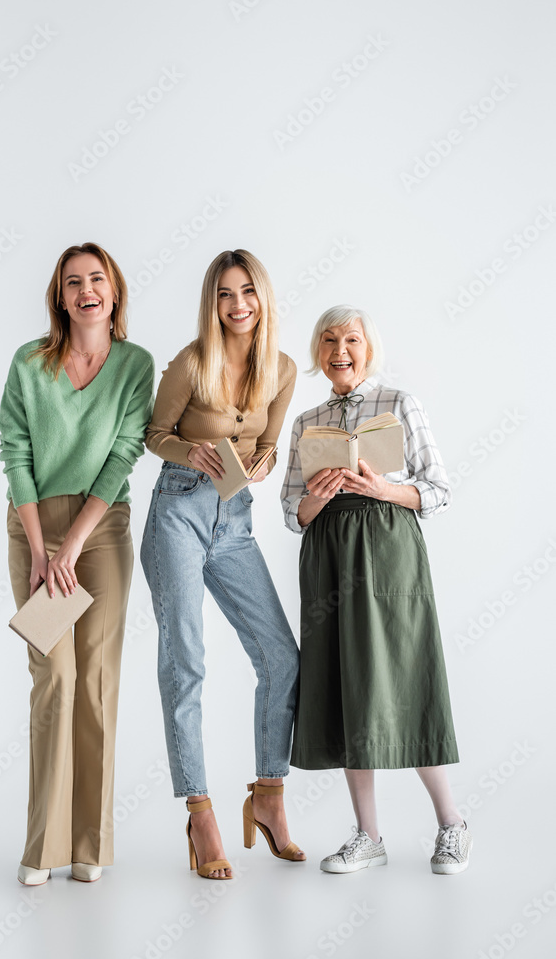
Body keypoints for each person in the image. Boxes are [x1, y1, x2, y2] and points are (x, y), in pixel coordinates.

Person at [281, 305, 472, 875]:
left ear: (369, 348)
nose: (340, 350)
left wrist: (382, 488)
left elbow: (438, 490)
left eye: (352, 340)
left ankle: (452, 824)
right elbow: (293, 513)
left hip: (389, 553)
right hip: (329, 556)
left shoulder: (399, 403)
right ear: (318, 352)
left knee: (407, 676)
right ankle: (368, 836)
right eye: (329, 340)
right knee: (345, 682)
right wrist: (319, 493)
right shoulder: (306, 421)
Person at [140, 249, 304, 880]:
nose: (238, 306)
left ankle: (268, 795)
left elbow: (267, 442)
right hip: (179, 512)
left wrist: (260, 463)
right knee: (186, 660)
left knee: (280, 657)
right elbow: (155, 436)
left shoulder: (282, 369)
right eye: (225, 296)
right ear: (212, 303)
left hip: (234, 524)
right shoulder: (190, 362)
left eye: (248, 293)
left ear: (263, 298)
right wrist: (194, 449)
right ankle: (200, 810)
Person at [0, 242, 154, 885]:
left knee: (94, 681)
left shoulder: (136, 365)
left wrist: (73, 546)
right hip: (34, 525)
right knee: (53, 678)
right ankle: (43, 850)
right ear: (59, 297)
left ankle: (89, 847)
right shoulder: (29, 363)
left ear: (114, 292)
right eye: (72, 282)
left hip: (103, 529)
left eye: (97, 279)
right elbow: (14, 450)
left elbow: (123, 456)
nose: (86, 290)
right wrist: (42, 551)